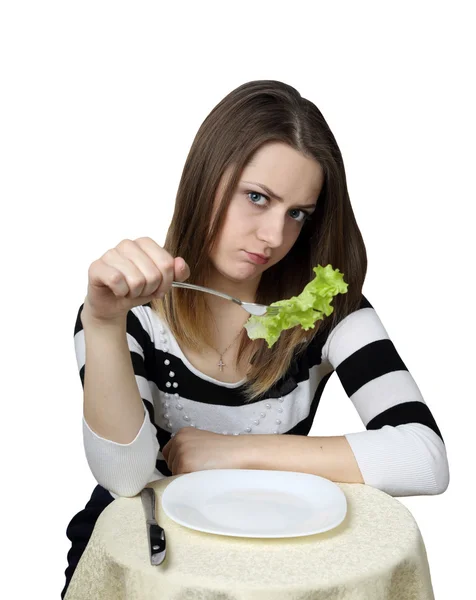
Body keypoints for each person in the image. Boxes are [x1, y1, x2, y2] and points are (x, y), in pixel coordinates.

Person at [62, 79, 449, 597]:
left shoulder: (329, 311)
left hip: (275, 563)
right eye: (257, 197)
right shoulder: (125, 314)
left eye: (297, 214)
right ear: (205, 179)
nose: (273, 237)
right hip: (144, 570)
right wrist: (104, 323)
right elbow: (125, 479)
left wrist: (233, 451)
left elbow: (424, 457)